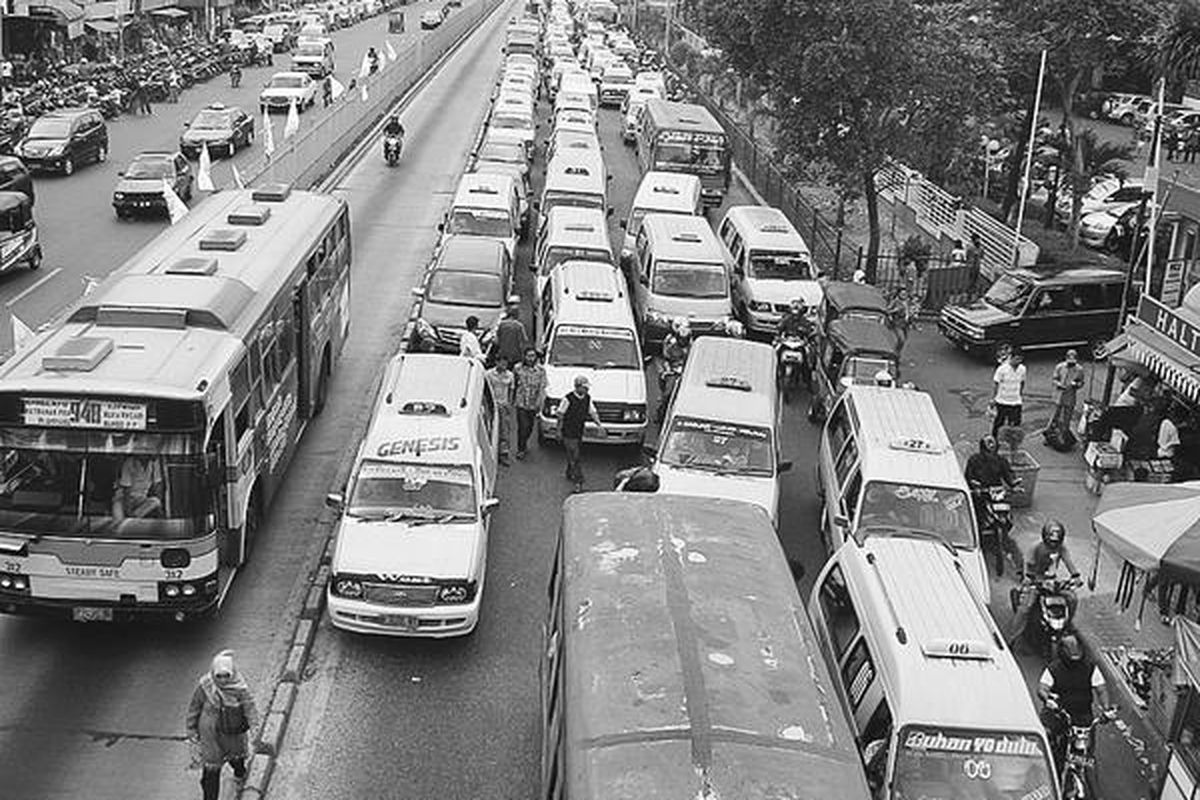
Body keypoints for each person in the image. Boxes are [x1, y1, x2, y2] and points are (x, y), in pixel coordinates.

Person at [186, 650, 258, 800]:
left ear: (233, 673)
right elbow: (194, 708)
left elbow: (249, 708)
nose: (223, 680)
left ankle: (240, 773)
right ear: (213, 673)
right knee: (211, 773)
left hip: (232, 734)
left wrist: (254, 728)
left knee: (237, 760)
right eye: (219, 676)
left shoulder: (240, 689)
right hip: (210, 737)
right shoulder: (205, 686)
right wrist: (191, 729)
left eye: (227, 675)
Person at [1038, 635, 1112, 773]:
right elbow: (1042, 688)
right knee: (1043, 739)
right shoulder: (1053, 669)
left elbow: (1101, 690)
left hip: (1082, 716)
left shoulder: (1091, 668)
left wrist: (1106, 709)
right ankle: (1047, 766)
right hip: (1058, 714)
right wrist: (1048, 699)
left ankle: (1082, 768)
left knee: (1087, 751)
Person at [1011, 520, 1082, 647]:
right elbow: (1029, 565)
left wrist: (1076, 576)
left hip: (1053, 582)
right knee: (1025, 608)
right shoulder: (1036, 548)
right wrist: (1029, 579)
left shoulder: (1062, 548)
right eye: (1052, 541)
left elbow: (1069, 562)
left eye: (1057, 541)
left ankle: (1066, 625)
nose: (1054, 544)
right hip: (1037, 582)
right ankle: (1012, 638)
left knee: (1072, 599)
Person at [964, 435, 1023, 575]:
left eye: (992, 442)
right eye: (988, 442)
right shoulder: (974, 460)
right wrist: (974, 485)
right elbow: (969, 476)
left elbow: (1008, 475)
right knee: (976, 515)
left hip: (996, 492)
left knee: (1006, 513)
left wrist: (1014, 484)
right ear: (983, 446)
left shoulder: (1001, 461)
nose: (991, 444)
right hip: (981, 493)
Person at [556, 375, 606, 492]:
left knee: (573, 454)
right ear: (577, 387)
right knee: (575, 456)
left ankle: (569, 470)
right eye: (585, 388)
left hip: (579, 431)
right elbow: (560, 415)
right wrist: (558, 431)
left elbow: (592, 412)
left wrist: (599, 425)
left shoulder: (587, 398)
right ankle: (578, 481)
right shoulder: (567, 399)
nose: (587, 390)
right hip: (568, 432)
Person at [512, 346, 547, 459]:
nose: (530, 358)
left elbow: (542, 387)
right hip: (521, 401)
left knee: (530, 427)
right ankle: (521, 449)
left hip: (533, 402)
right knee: (523, 426)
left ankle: (525, 442)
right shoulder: (517, 368)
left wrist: (539, 402)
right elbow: (513, 384)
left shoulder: (541, 371)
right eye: (528, 356)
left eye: (532, 356)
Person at [113, 455, 164, 520]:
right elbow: (126, 490)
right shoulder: (129, 462)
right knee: (117, 519)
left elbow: (157, 485)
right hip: (122, 499)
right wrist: (128, 510)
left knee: (156, 501)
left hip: (141, 499)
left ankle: (133, 518)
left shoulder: (154, 463)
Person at [486, 356, 516, 465]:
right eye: (502, 364)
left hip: (504, 405)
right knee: (491, 429)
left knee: (504, 431)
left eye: (505, 364)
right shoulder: (488, 374)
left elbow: (511, 390)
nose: (504, 366)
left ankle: (503, 454)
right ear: (496, 362)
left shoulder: (510, 375)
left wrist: (509, 404)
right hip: (491, 406)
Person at [991, 349, 1026, 438]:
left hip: (1016, 401)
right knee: (999, 422)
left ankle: (1011, 441)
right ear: (1011, 357)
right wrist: (993, 398)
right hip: (1002, 401)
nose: (1018, 362)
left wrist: (1020, 394)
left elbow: (1022, 382)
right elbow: (996, 384)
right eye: (1016, 359)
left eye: (1020, 360)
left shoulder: (1022, 369)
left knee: (1015, 423)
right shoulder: (1002, 369)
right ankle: (994, 439)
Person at [1049, 348, 1085, 434]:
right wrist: (1059, 384)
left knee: (1067, 418)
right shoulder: (1059, 367)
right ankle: (1050, 433)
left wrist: (1076, 385)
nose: (1071, 364)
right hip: (1059, 396)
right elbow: (1054, 379)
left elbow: (1081, 382)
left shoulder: (1079, 369)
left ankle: (1063, 435)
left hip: (1070, 396)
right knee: (1054, 417)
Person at [493, 298, 528, 367]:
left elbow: (496, 341)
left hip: (503, 355)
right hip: (516, 356)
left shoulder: (502, 324)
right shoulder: (519, 326)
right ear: (516, 314)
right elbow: (524, 341)